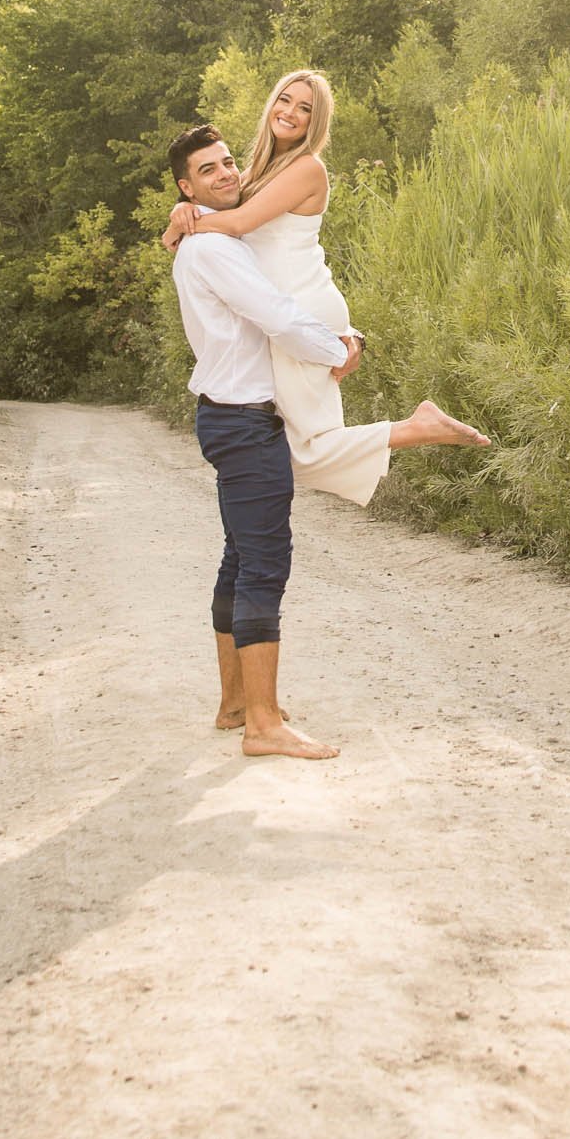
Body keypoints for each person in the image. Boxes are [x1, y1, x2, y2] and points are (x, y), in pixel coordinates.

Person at [161, 67, 488, 500]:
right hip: (286, 309)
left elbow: (236, 221)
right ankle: (414, 427)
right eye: (285, 100)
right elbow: (221, 202)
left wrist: (184, 224)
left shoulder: (306, 168)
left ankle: (416, 428)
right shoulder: (260, 166)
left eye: (305, 108)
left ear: (316, 121)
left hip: (301, 307)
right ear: (272, 102)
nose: (291, 112)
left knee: (301, 453)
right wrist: (180, 211)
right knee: (283, 450)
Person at [169, 121, 356, 762]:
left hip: (229, 417)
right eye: (209, 170)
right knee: (265, 565)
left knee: (239, 559)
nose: (225, 173)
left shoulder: (212, 234)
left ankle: (235, 704)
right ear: (186, 186)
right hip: (246, 424)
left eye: (228, 163)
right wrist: (341, 350)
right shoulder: (216, 248)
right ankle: (264, 725)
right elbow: (277, 317)